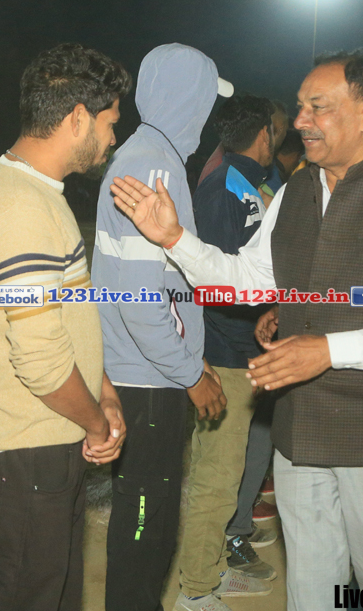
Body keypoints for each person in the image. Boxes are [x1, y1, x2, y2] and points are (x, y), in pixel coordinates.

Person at [109, 51, 363, 602]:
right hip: (299, 434)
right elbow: (249, 279)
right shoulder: (296, 191)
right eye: (300, 107)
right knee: (312, 586)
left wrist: (329, 350)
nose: (300, 121)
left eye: (317, 107)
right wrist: (175, 239)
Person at [0, 44, 132, 611]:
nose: (112, 138)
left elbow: (65, 323)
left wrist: (103, 392)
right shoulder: (21, 208)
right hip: (22, 453)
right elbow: (40, 360)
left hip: (42, 445)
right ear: (77, 117)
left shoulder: (36, 196)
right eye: (109, 122)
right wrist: (97, 423)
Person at [92, 43, 249, 611]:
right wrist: (189, 373)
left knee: (150, 523)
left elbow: (163, 282)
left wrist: (188, 357)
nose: (208, 115)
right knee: (145, 526)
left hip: (149, 369)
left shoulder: (148, 156)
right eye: (205, 99)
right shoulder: (153, 166)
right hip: (148, 379)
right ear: (190, 98)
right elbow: (140, 300)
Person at [174, 94, 278, 611]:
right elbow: (211, 280)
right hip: (228, 353)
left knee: (231, 468)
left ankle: (215, 563)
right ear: (264, 135)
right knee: (216, 475)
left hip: (248, 350)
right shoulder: (223, 188)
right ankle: (197, 588)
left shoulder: (246, 183)